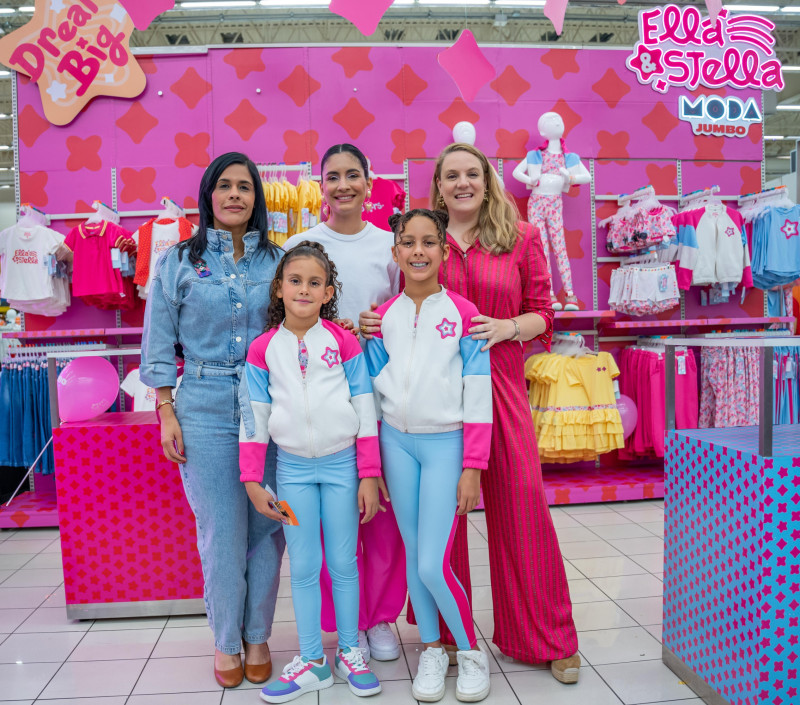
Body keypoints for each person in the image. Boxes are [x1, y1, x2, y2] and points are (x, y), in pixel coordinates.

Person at [360, 143, 581, 684]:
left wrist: (510, 327)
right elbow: (402, 314)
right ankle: (453, 640)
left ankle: (547, 637)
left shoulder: (521, 237)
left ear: (487, 181)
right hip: (432, 405)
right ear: (437, 185)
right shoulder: (423, 240)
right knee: (441, 528)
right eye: (451, 175)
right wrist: (368, 324)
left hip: (497, 389)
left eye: (472, 174)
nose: (462, 183)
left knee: (522, 511)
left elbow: (545, 314)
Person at [140, 152, 285, 688]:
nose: (234, 196)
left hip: (269, 404)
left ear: (256, 198)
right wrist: (165, 410)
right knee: (221, 530)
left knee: (269, 526)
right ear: (208, 195)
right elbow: (157, 340)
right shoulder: (178, 260)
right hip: (200, 403)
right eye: (223, 186)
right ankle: (226, 640)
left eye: (244, 187)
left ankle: (258, 635)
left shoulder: (278, 259)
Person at [240, 241, 383, 703]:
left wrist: (368, 474)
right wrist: (251, 479)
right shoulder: (263, 351)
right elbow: (254, 417)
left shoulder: (343, 342)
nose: (304, 289)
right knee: (303, 565)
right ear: (279, 289)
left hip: (343, 470)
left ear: (328, 292)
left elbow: (365, 408)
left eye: (314, 283)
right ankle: (311, 661)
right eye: (295, 281)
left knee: (343, 563)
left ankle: (348, 651)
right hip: (293, 475)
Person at [282, 143, 405, 663]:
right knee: (330, 519)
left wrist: (379, 324)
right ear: (321, 185)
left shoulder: (390, 246)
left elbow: (406, 307)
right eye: (333, 176)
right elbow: (285, 319)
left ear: (369, 182)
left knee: (377, 513)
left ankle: (379, 618)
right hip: (321, 402)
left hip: (382, 390)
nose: (343, 185)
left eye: (353, 175)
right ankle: (341, 623)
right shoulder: (301, 242)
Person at [365, 209, 493, 703]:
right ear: (395, 252)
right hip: (397, 443)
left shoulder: (464, 314)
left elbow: (477, 394)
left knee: (431, 565)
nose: (418, 251)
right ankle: (432, 649)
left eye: (428, 243)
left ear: (443, 251)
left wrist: (472, 467)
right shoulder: (382, 318)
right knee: (417, 555)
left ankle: (470, 652)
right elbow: (373, 392)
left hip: (446, 446)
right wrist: (373, 465)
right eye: (408, 243)